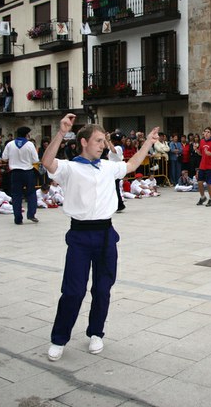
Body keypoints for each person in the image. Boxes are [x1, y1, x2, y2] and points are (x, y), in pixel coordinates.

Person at [42, 113, 158, 361]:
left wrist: (148, 142)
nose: (103, 145)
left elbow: (132, 165)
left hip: (106, 233)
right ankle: (59, 339)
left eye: (104, 141)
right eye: (98, 141)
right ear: (84, 142)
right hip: (80, 235)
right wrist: (61, 132)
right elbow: (47, 162)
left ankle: (96, 332)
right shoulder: (70, 167)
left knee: (103, 289)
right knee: (73, 291)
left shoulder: (107, 166)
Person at [2, 126, 39, 225]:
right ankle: (31, 214)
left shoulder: (10, 144)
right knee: (31, 193)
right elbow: (35, 160)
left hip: (15, 172)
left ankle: (18, 218)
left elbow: (4, 158)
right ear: (27, 135)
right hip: (28, 171)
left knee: (16, 195)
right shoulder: (30, 144)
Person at [196, 127, 211, 207]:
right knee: (199, 182)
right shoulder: (202, 141)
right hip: (202, 165)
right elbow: (201, 153)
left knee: (209, 184)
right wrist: (197, 150)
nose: (206, 133)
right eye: (205, 131)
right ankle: (203, 197)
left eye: (208, 132)